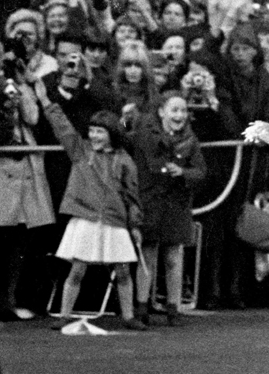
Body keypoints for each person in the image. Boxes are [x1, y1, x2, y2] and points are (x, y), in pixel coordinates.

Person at [34, 79, 142, 330]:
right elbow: (62, 127)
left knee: (123, 271)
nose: (93, 135)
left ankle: (128, 316)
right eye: (91, 130)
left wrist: (135, 224)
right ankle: (64, 315)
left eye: (99, 131)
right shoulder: (81, 151)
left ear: (111, 134)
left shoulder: (125, 160)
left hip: (114, 220)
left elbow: (132, 196)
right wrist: (46, 102)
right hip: (85, 218)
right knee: (77, 270)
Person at [130, 91, 204, 327]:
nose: (179, 115)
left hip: (177, 203)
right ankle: (141, 307)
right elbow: (147, 158)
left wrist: (184, 173)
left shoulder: (191, 140)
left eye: (183, 110)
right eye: (174, 110)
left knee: (174, 255)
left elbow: (201, 171)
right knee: (147, 254)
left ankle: (174, 307)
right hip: (151, 200)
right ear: (162, 112)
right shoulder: (145, 135)